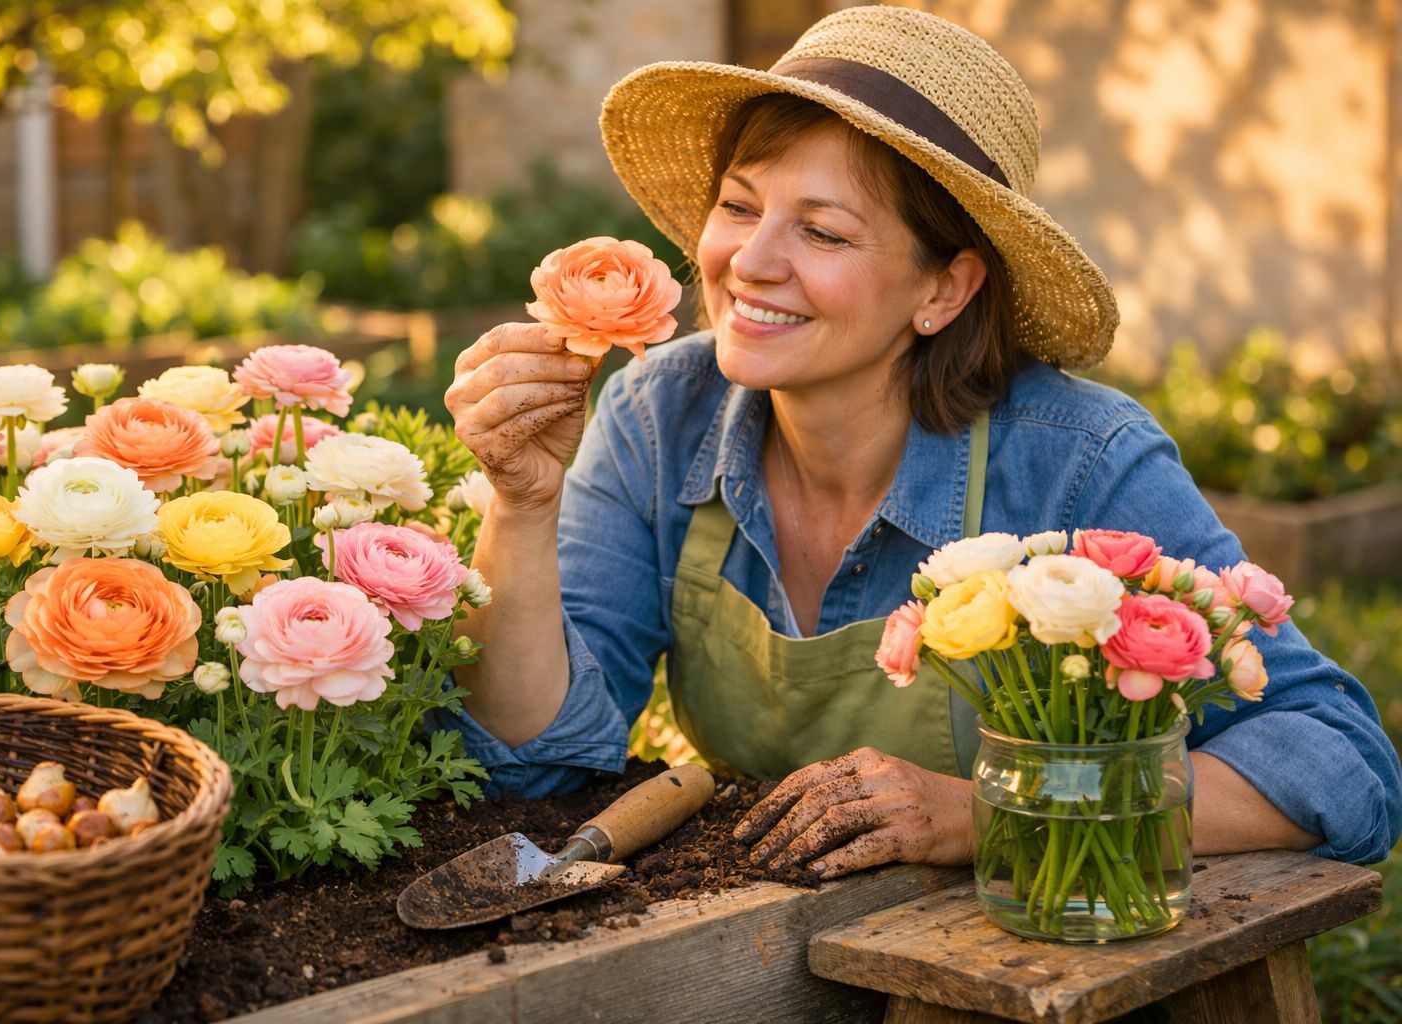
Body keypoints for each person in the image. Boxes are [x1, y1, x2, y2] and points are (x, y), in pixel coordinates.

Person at [440, 5, 1401, 877]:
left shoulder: (1078, 460)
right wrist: (522, 503)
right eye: (739, 205)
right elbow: (541, 761)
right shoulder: (660, 414)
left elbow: (1341, 760)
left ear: (944, 289)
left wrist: (990, 811)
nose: (749, 263)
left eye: (822, 232)